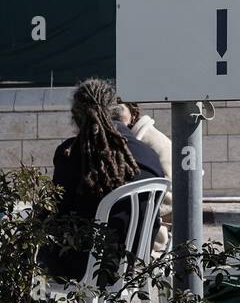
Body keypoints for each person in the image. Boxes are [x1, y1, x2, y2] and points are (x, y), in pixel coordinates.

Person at [39, 78, 166, 281]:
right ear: (115, 111)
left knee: (32, 242)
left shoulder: (72, 154)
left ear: (76, 117)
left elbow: (56, 212)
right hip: (133, 264)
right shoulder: (149, 155)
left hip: (83, 266)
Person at [109, 100, 172, 254]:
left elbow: (170, 194)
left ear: (134, 114)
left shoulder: (156, 142)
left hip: (148, 242)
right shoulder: (113, 140)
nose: (113, 113)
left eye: (119, 108)